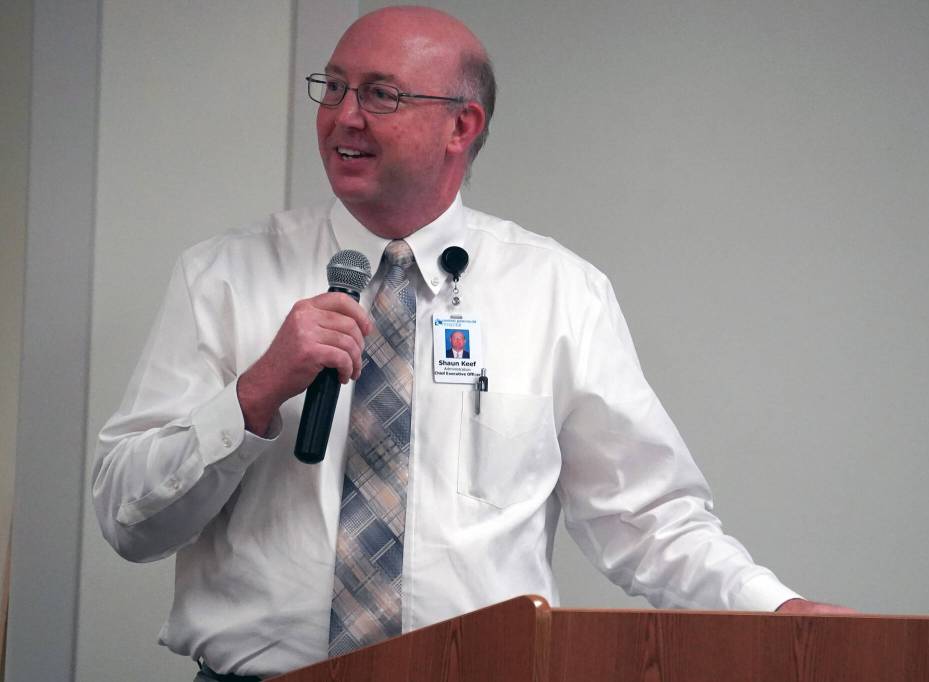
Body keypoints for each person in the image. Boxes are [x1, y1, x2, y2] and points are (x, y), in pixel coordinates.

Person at [92, 6, 850, 681]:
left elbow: (646, 520)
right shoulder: (222, 277)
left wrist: (774, 609)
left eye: (381, 95)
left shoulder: (559, 292)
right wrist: (253, 395)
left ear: (462, 126)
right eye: (335, 87)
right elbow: (128, 520)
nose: (344, 117)